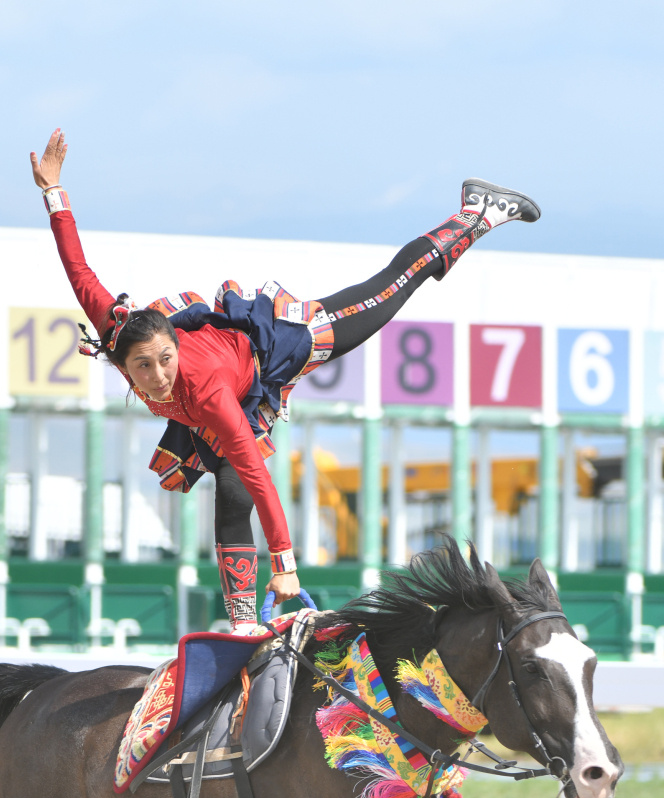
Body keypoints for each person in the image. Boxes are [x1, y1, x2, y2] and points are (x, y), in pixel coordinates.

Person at [30, 129, 540, 633]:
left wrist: (285, 562)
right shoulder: (116, 331)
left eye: (166, 358)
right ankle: (244, 627)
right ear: (122, 361)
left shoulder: (202, 388)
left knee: (389, 289)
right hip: (229, 397)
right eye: (144, 367)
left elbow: (257, 471)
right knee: (229, 500)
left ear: (176, 345)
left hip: (277, 349)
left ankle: (477, 213)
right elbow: (76, 266)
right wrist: (53, 190)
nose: (158, 376)